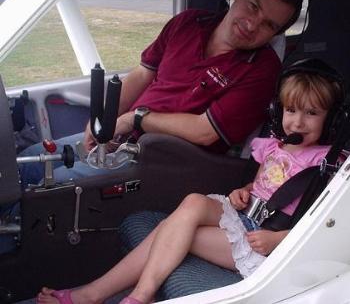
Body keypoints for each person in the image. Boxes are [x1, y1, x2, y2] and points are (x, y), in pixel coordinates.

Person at [36, 58, 344, 304]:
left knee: (172, 232)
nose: (297, 121)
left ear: (331, 119)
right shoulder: (274, 145)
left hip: (269, 243)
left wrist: (279, 240)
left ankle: (124, 296)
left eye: (312, 113)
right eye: (291, 110)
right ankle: (98, 294)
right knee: (193, 203)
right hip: (245, 217)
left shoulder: (329, 164)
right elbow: (266, 185)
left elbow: (329, 224)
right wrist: (245, 191)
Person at [19, 0, 303, 185]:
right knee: (27, 160)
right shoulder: (188, 22)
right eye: (253, 6)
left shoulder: (262, 71)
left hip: (164, 160)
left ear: (275, 35)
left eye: (268, 25)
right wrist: (103, 122)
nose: (252, 24)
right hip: (122, 140)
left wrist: (135, 118)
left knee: (48, 189)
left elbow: (205, 132)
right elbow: (143, 74)